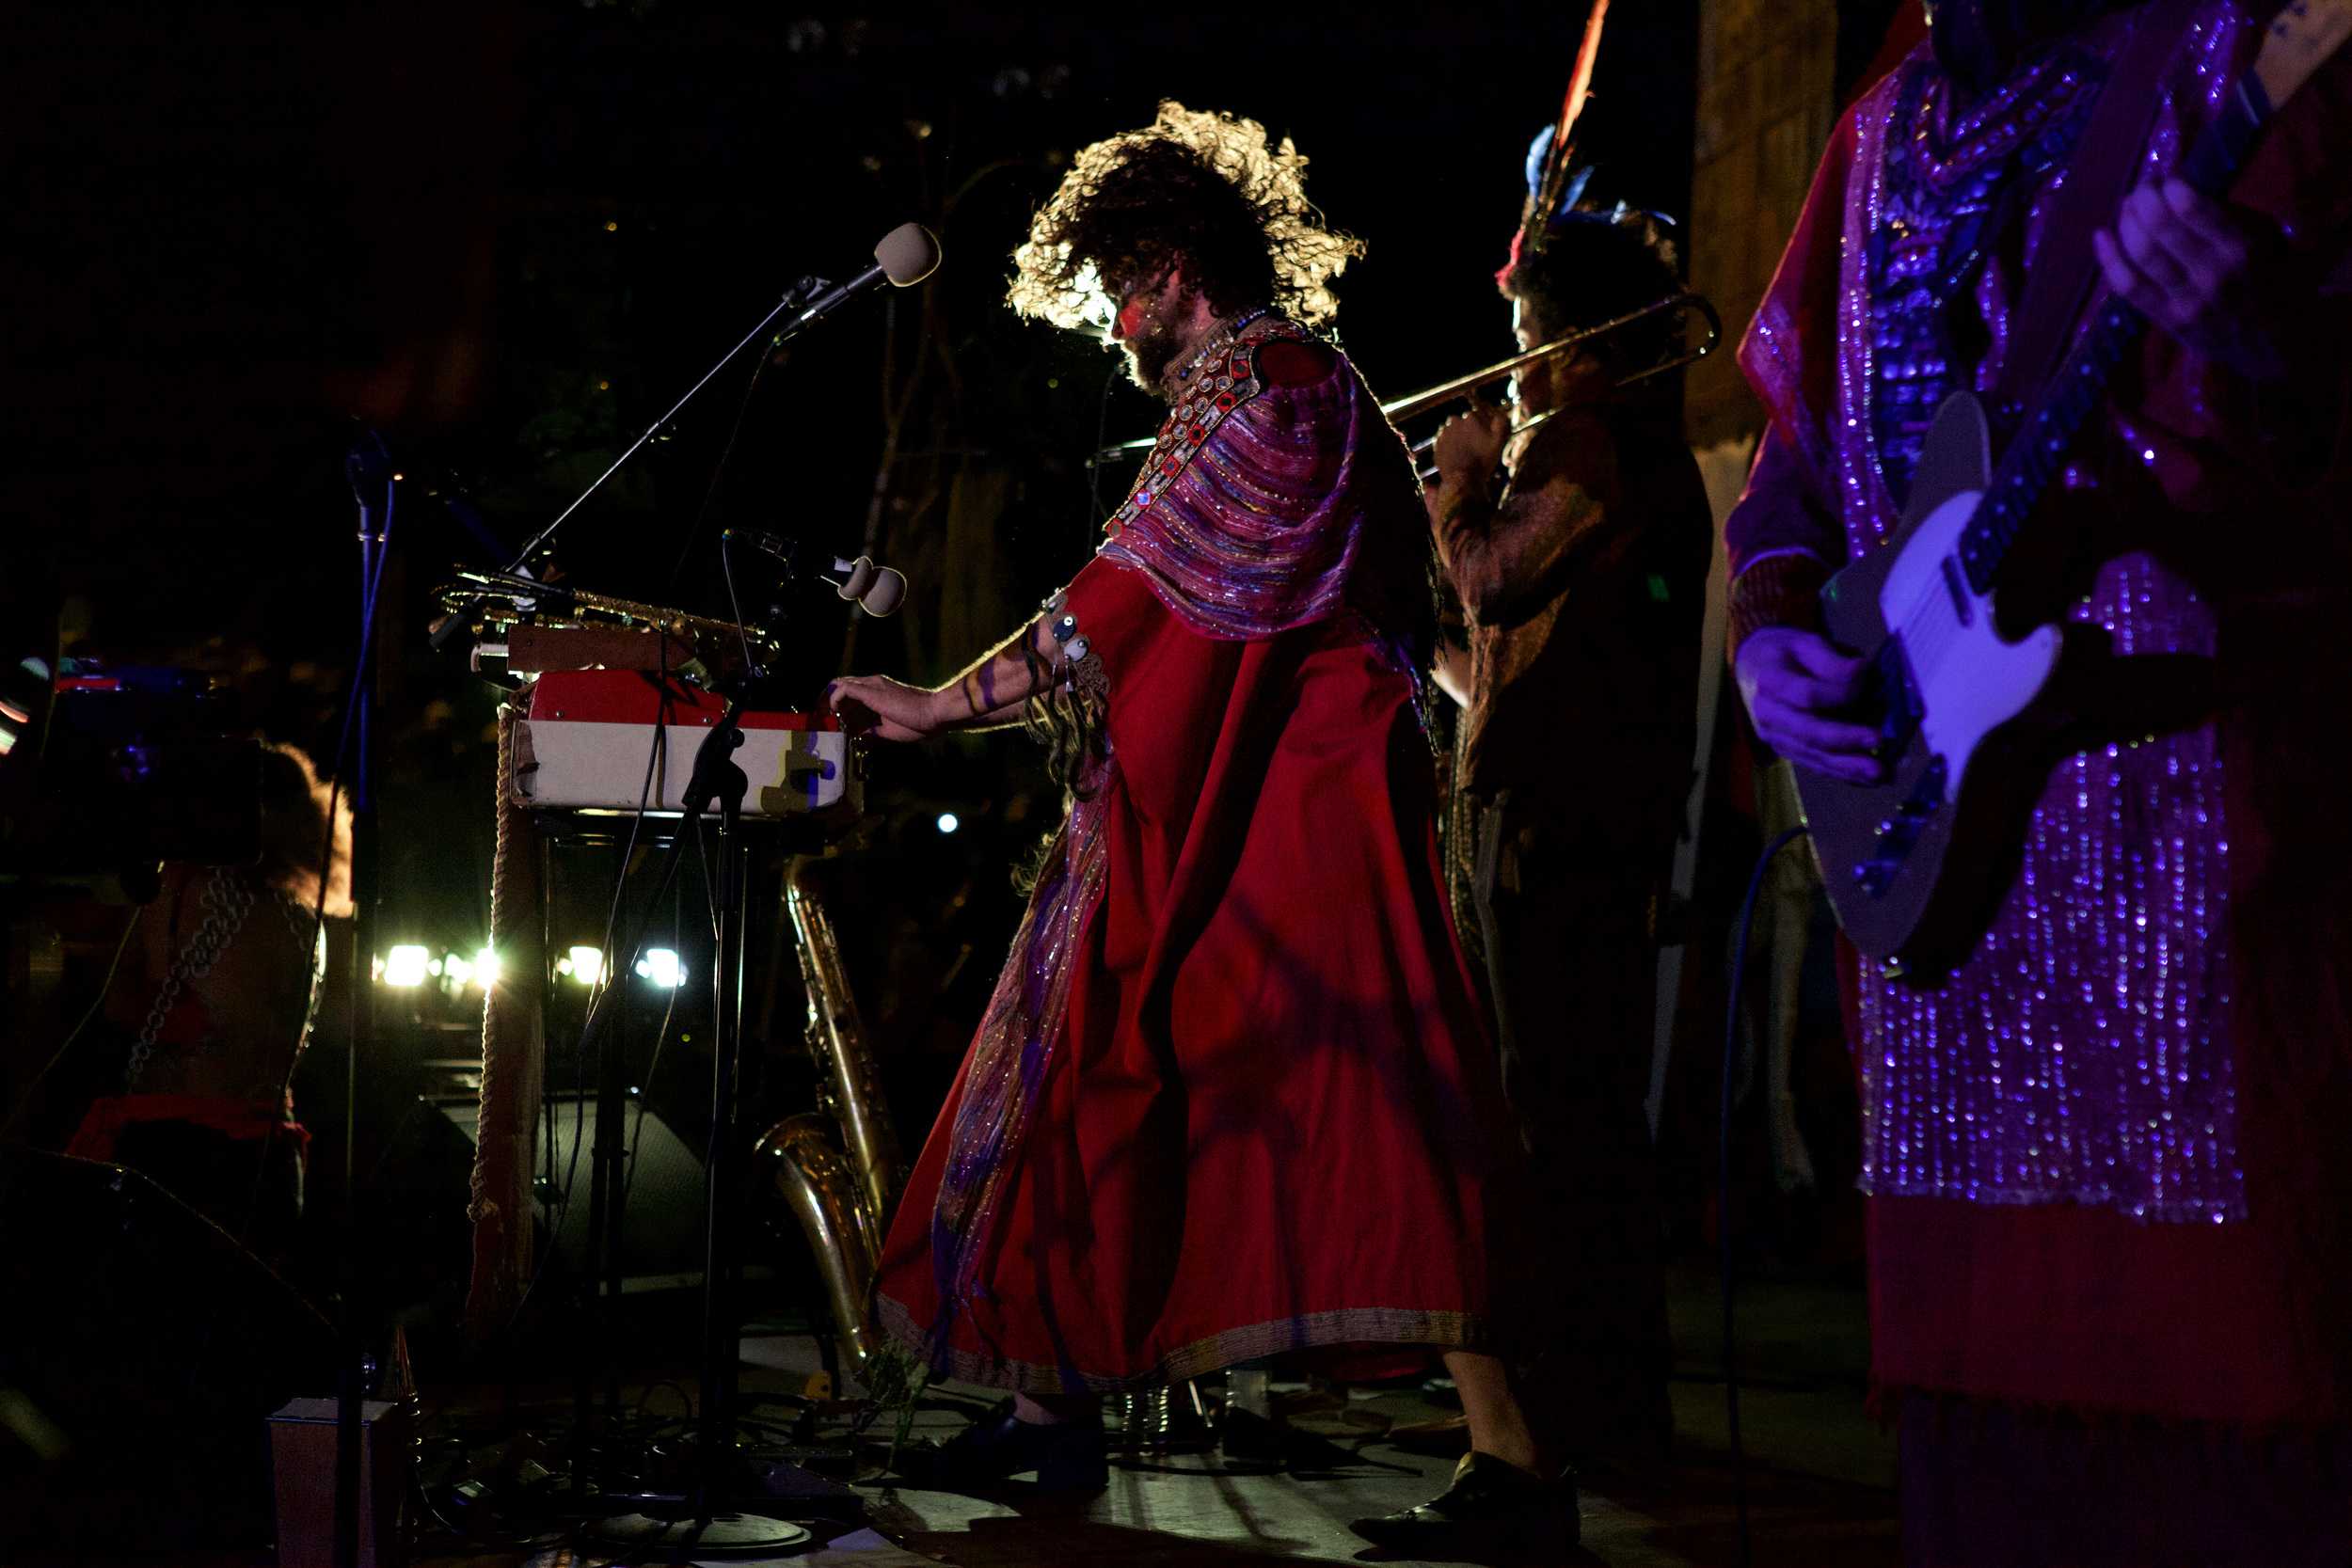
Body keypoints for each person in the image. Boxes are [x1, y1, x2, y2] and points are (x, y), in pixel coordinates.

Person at [829, 101, 1570, 1554]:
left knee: (1382, 1103)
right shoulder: (1250, 389)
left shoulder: (1278, 384)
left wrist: (933, 706)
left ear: (1174, 262)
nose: (1114, 324)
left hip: (1303, 812)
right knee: (1088, 1054)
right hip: (1225, 801)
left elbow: (1123, 601)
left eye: (1122, 287)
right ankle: (1049, 1413)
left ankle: (1517, 1463)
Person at [1724, 2, 2352, 1560]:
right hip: (1943, 911)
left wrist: (2267, 346)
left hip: (2189, 857)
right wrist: (1772, 635)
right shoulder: (1874, 130)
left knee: (2241, 1427)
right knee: (1978, 1461)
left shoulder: (2238, 44)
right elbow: (1794, 455)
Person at [1424, 180, 1712, 1468]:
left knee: (1564, 1113)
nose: (1521, 364)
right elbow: (1502, 656)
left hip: (1563, 823)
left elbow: (1490, 571)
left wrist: (1459, 488)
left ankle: (1583, 1412)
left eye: (1534, 331)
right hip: (1540, 801)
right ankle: (1574, 1398)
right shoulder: (1594, 447)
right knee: (1554, 1105)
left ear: (1580, 336)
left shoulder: (1593, 442)